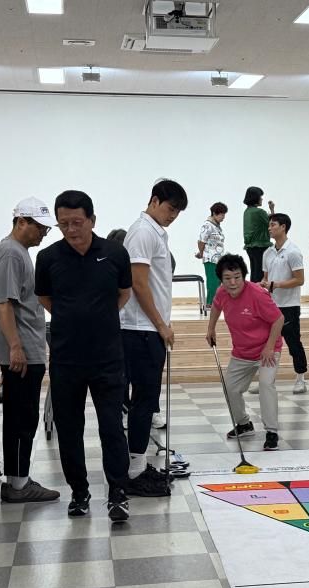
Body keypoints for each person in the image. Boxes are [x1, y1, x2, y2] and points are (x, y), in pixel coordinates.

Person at [34, 190, 133, 523]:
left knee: (112, 427)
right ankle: (79, 492)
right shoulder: (48, 257)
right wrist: (73, 317)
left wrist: (98, 317)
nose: (71, 229)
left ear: (92, 220)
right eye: (63, 224)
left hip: (108, 357)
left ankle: (118, 492)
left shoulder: (115, 253)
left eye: (77, 222)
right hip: (66, 358)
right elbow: (45, 298)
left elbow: (124, 293)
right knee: (69, 429)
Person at [0, 198, 60, 503]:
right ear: (21, 222)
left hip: (28, 348)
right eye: (40, 227)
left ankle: (19, 479)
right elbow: (3, 304)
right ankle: (18, 486)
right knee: (21, 417)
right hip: (22, 353)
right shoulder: (10, 253)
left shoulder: (18, 252)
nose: (44, 233)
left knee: (24, 416)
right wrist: (16, 348)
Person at [120, 179, 189, 496]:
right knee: (143, 402)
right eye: (170, 208)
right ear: (154, 200)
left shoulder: (154, 231)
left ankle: (138, 464)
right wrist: (161, 325)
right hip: (141, 330)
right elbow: (138, 283)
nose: (173, 215)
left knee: (146, 401)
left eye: (178, 211)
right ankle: (134, 472)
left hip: (148, 329)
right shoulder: (143, 232)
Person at [206, 254, 284, 451]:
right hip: (242, 352)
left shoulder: (257, 294)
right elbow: (216, 306)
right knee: (230, 388)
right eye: (227, 278)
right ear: (221, 279)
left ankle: (272, 431)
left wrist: (269, 347)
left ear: (244, 276)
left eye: (237, 277)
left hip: (267, 349)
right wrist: (211, 328)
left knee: (266, 385)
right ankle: (244, 424)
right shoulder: (222, 292)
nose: (233, 283)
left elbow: (278, 319)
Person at [262, 213, 307, 394]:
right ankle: (266, 380)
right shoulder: (268, 252)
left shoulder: (293, 251)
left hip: (289, 305)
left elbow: (300, 279)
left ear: (283, 227)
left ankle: (300, 378)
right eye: (269, 225)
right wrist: (261, 285)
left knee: (293, 342)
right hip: (270, 305)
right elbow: (266, 279)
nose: (269, 228)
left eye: (273, 225)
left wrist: (276, 285)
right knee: (267, 343)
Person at [197, 202, 228, 308]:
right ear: (214, 213)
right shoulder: (207, 225)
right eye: (222, 214)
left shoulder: (217, 226)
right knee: (212, 282)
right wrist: (201, 253)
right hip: (210, 258)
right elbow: (201, 241)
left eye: (224, 214)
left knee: (218, 281)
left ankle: (216, 303)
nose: (223, 217)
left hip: (218, 259)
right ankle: (210, 303)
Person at [243, 186, 274, 283]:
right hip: (261, 247)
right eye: (260, 197)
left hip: (250, 247)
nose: (261, 199)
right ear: (255, 198)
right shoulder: (259, 212)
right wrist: (272, 210)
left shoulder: (247, 211)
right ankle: (259, 293)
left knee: (254, 274)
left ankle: (252, 292)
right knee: (262, 275)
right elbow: (272, 223)